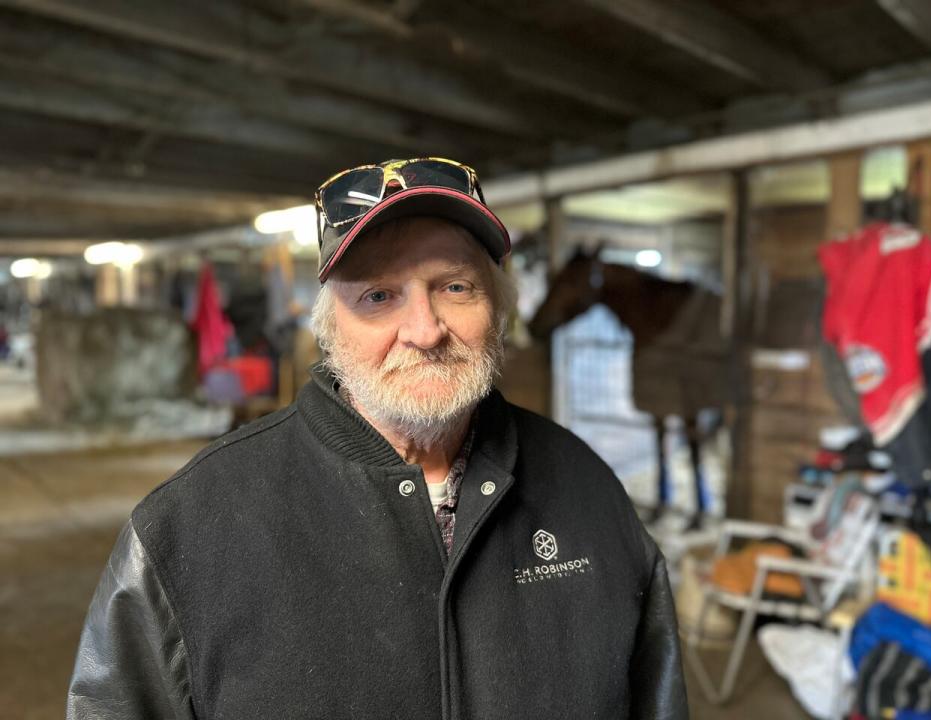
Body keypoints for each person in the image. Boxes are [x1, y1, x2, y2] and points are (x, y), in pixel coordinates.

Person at [67, 157, 688, 719]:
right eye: (379, 295)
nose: (424, 330)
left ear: (497, 309)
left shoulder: (589, 492)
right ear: (328, 327)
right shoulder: (186, 529)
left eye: (454, 286)